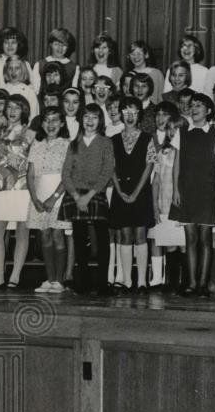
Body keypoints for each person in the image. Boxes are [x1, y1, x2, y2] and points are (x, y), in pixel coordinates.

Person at [60, 103, 115, 296]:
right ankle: (81, 282)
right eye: (86, 117)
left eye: (94, 117)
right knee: (79, 239)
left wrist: (90, 195)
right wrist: (76, 196)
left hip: (95, 193)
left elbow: (107, 171)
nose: (90, 121)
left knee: (102, 240)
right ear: (81, 120)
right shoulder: (74, 144)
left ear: (100, 121)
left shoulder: (106, 143)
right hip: (76, 195)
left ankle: (102, 283)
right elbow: (65, 173)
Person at [0, 94, 36, 288]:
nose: (12, 111)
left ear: (24, 111)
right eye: (10, 107)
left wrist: (20, 163)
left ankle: (15, 276)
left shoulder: (31, 134)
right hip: (1, 187)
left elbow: (34, 164)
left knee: (22, 231)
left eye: (17, 108)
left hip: (22, 188)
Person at [171, 93, 215, 296]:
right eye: (192, 105)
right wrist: (176, 188)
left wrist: (210, 178)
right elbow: (176, 163)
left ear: (208, 110)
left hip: (206, 191)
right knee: (190, 238)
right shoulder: (182, 132)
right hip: (187, 190)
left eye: (199, 105)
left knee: (205, 238)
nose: (194, 108)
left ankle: (202, 284)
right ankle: (191, 282)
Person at [109, 97, 156, 291]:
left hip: (141, 192)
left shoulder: (147, 138)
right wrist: (119, 191)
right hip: (121, 193)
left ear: (139, 115)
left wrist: (136, 192)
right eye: (126, 111)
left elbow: (149, 165)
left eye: (134, 112)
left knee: (140, 235)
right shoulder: (113, 140)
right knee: (125, 235)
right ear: (120, 113)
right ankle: (128, 280)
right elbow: (110, 167)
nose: (129, 116)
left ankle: (142, 281)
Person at [26, 106, 71, 293]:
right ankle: (49, 278)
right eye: (46, 120)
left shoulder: (68, 144)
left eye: (55, 120)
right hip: (40, 194)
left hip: (59, 194)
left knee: (57, 235)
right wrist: (35, 198)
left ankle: (59, 281)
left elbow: (69, 175)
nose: (50, 124)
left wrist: (54, 197)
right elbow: (30, 175)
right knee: (44, 235)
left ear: (62, 123)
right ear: (41, 123)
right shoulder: (36, 144)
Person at [148, 104, 186, 291]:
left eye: (177, 129)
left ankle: (185, 282)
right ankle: (171, 282)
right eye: (170, 129)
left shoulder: (187, 154)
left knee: (183, 244)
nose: (172, 133)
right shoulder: (162, 153)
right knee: (170, 244)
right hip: (164, 204)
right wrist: (154, 205)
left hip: (180, 205)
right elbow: (156, 181)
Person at [0, 26, 33, 104]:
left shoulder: (25, 64)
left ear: (18, 45)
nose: (10, 46)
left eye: (13, 42)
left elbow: (32, 88)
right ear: (1, 44)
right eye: (6, 42)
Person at [32, 28, 78, 93]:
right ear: (50, 44)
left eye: (64, 45)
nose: (60, 48)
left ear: (68, 46)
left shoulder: (74, 68)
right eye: (56, 44)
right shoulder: (39, 65)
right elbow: (35, 91)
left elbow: (74, 92)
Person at [124, 40, 164, 105]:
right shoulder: (128, 75)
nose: (136, 57)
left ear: (146, 55)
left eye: (139, 53)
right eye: (133, 54)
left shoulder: (156, 74)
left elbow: (160, 97)